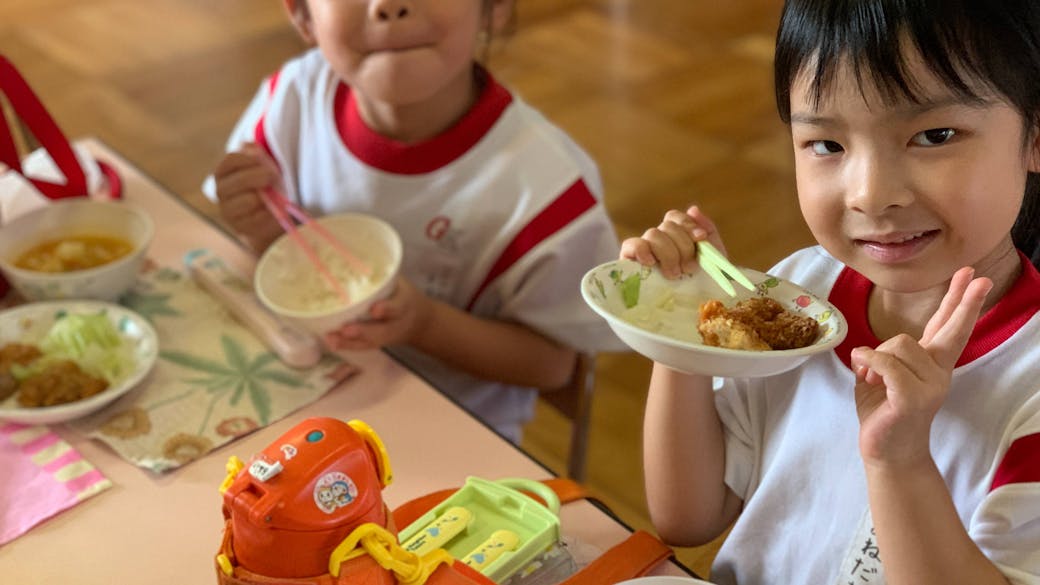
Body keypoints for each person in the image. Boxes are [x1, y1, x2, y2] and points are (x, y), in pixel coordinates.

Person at [621, 1, 1040, 583]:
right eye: (827, 145)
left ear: (1033, 136)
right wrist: (686, 327)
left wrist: (899, 462)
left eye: (934, 135)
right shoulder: (798, 303)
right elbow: (686, 517)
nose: (871, 194)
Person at [204, 0, 625, 443]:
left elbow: (554, 364)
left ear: (494, 7)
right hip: (304, 407)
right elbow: (269, 246)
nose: (389, 6)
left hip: (455, 444)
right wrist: (256, 228)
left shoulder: (547, 188)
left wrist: (424, 323)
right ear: (303, 14)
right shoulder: (292, 100)